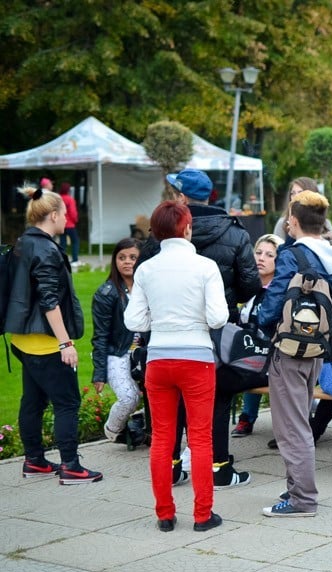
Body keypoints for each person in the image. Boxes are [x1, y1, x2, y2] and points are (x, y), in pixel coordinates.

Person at [139, 168, 260, 489]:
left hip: (167, 332)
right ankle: (219, 469)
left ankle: (173, 467)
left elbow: (144, 279)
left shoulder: (160, 235)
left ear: (180, 198)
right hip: (216, 330)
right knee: (218, 400)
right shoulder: (235, 233)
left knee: (172, 402)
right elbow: (250, 285)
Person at [124, 200, 229, 532]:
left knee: (162, 439)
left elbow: (133, 320)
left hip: (159, 358)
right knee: (200, 439)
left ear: (155, 231)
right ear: (187, 228)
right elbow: (218, 317)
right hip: (196, 358)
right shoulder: (205, 266)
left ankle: (164, 514)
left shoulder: (146, 270)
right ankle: (202, 515)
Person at [5, 185, 102, 484]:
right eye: (65, 215)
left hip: (21, 338)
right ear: (55, 215)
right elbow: (49, 300)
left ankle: (34, 460)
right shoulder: (46, 248)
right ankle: (71, 466)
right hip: (45, 342)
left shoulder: (23, 242)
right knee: (67, 402)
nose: (67, 221)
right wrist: (65, 342)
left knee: (32, 401)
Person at [258, 191, 332, 517]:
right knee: (299, 422)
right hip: (317, 348)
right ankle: (297, 487)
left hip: (289, 349)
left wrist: (265, 323)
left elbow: (273, 304)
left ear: (292, 222)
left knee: (291, 427)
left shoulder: (292, 255)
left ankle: (302, 499)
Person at [231, 233, 283, 438]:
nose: (261, 258)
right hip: (249, 351)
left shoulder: (280, 290)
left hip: (275, 354)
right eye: (258, 252)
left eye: (269, 255)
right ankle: (247, 417)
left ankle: (280, 424)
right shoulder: (246, 288)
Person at [92, 238, 143, 442]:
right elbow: (100, 335)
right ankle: (113, 431)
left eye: (133, 257)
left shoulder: (148, 288)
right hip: (118, 352)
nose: (127, 262)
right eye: (121, 257)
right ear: (114, 261)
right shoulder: (106, 293)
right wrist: (99, 373)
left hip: (146, 351)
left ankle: (147, 426)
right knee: (129, 396)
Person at [273, 177, 332, 247]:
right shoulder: (282, 223)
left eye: (300, 193)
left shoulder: (326, 223)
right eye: (293, 193)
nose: (295, 197)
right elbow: (277, 253)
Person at [58, 182, 80, 265]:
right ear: (68, 190)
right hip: (70, 224)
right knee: (75, 241)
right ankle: (75, 260)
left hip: (61, 224)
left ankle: (62, 260)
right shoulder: (70, 199)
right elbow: (73, 212)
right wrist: (75, 220)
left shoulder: (58, 199)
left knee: (62, 243)